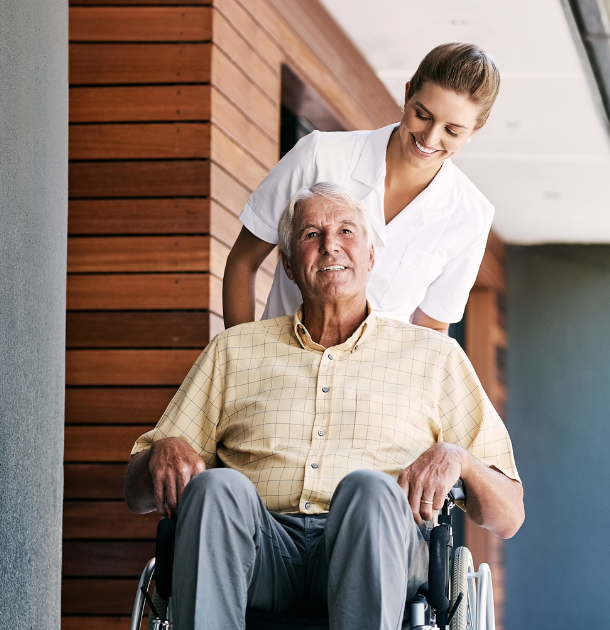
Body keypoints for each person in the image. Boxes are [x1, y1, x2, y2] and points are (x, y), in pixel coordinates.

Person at [125, 183, 524, 630]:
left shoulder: (436, 357)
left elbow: (509, 515)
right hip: (259, 553)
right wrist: (161, 452)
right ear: (290, 266)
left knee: (371, 491)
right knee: (217, 490)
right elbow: (137, 494)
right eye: (311, 234)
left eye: (346, 231)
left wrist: (461, 460)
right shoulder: (233, 351)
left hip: (375, 547)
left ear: (371, 257)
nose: (330, 243)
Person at [223, 43, 501, 334]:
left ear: (474, 131)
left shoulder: (471, 216)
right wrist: (242, 363)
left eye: (452, 131)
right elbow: (244, 261)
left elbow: (430, 329)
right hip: (279, 371)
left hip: (378, 378)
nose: (430, 138)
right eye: (423, 115)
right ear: (407, 94)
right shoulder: (319, 155)